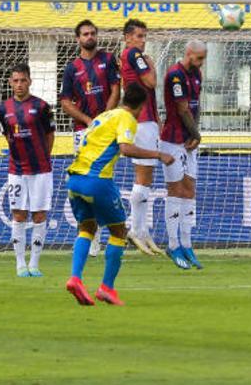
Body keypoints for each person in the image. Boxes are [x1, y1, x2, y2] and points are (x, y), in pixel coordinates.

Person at [65, 83, 175, 306]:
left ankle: (76, 278)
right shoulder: (127, 118)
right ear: (142, 106)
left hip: (74, 179)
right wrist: (158, 154)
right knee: (118, 231)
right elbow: (125, 148)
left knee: (87, 228)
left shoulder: (105, 116)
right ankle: (107, 288)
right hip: (96, 180)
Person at [59, 19, 121, 257]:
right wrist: (88, 121)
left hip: (106, 129)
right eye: (85, 34)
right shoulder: (71, 68)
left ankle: (111, 236)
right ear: (78, 39)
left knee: (103, 182)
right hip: (83, 131)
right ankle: (90, 237)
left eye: (93, 33)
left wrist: (104, 119)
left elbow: (116, 89)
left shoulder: (107, 59)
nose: (89, 37)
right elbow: (65, 102)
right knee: (85, 184)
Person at [0, 63, 56, 278]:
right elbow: (7, 135)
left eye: (23, 80)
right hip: (17, 169)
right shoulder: (3, 108)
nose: (19, 84)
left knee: (39, 215)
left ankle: (34, 263)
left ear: (30, 81)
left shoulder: (42, 107)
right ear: (11, 83)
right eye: (16, 80)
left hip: (41, 169)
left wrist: (42, 156)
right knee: (18, 214)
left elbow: (50, 135)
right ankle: (20, 264)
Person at [161, 40, 206, 270]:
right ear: (188, 54)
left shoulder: (196, 73)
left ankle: (187, 244)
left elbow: (196, 107)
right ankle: (172, 244)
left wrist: (195, 136)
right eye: (199, 58)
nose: (201, 62)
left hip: (189, 140)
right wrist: (196, 133)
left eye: (204, 58)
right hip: (172, 140)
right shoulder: (174, 75)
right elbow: (182, 109)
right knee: (175, 190)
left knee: (189, 189)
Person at [120, 19, 164, 256]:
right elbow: (151, 82)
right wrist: (152, 66)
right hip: (143, 119)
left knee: (145, 178)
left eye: (144, 36)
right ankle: (136, 229)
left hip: (146, 119)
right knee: (143, 177)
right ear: (127, 37)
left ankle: (141, 229)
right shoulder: (134, 54)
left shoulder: (129, 54)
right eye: (138, 36)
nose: (142, 41)